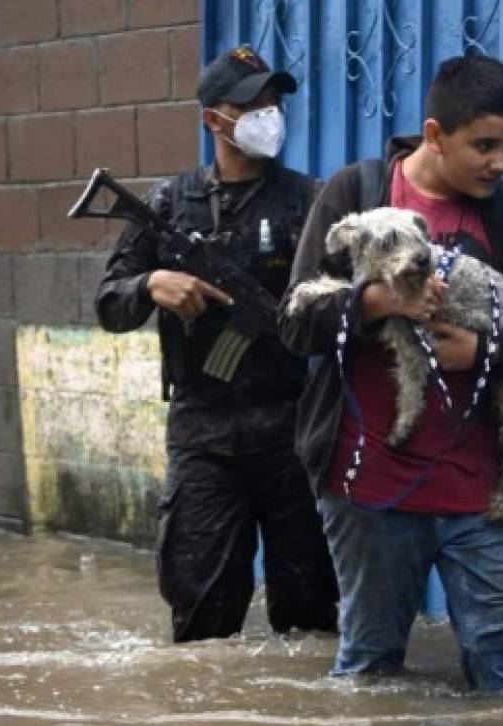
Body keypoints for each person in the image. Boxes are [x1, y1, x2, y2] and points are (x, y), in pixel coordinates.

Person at [279, 54, 503, 691]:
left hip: (479, 490)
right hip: (369, 486)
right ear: (434, 135)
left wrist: (489, 355)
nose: (499, 162)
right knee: (371, 673)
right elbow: (294, 324)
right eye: (483, 146)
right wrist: (376, 302)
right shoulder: (358, 195)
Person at [95, 45, 338, 642]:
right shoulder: (168, 205)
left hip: (291, 430)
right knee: (202, 619)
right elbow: (109, 303)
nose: (268, 114)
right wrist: (153, 283)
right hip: (203, 434)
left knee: (310, 616)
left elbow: (347, 305)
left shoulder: (310, 200)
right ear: (212, 119)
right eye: (251, 103)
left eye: (273, 102)